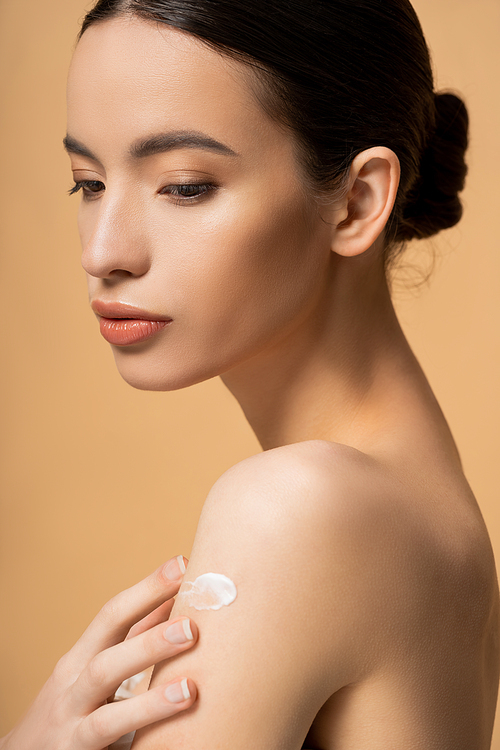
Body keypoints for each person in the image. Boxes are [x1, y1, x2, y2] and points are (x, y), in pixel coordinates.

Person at [2, 0, 499, 748]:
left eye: (184, 185)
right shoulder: (424, 506)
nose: (103, 251)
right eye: (88, 182)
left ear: (357, 201)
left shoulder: (297, 510)